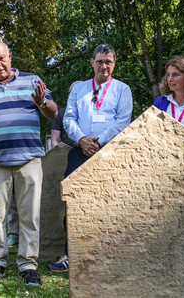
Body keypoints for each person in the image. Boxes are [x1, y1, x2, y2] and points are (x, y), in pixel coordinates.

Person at [0, 39, 57, 287]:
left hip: (29, 159)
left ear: (10, 56)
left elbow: (52, 112)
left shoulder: (31, 80)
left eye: (1, 58)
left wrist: (41, 102)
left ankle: (28, 265)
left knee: (29, 215)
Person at [49, 44, 133, 272]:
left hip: (110, 152)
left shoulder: (122, 89)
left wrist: (99, 142)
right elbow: (69, 119)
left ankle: (108, 255)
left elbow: (123, 120)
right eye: (99, 61)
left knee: (111, 203)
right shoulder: (79, 89)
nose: (103, 66)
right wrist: (82, 140)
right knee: (73, 202)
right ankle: (70, 254)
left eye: (108, 62)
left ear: (114, 64)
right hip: (79, 150)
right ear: (92, 63)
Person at [50, 81, 82, 148]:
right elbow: (54, 141)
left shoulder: (91, 113)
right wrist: (57, 154)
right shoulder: (60, 113)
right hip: (65, 152)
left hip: (86, 150)